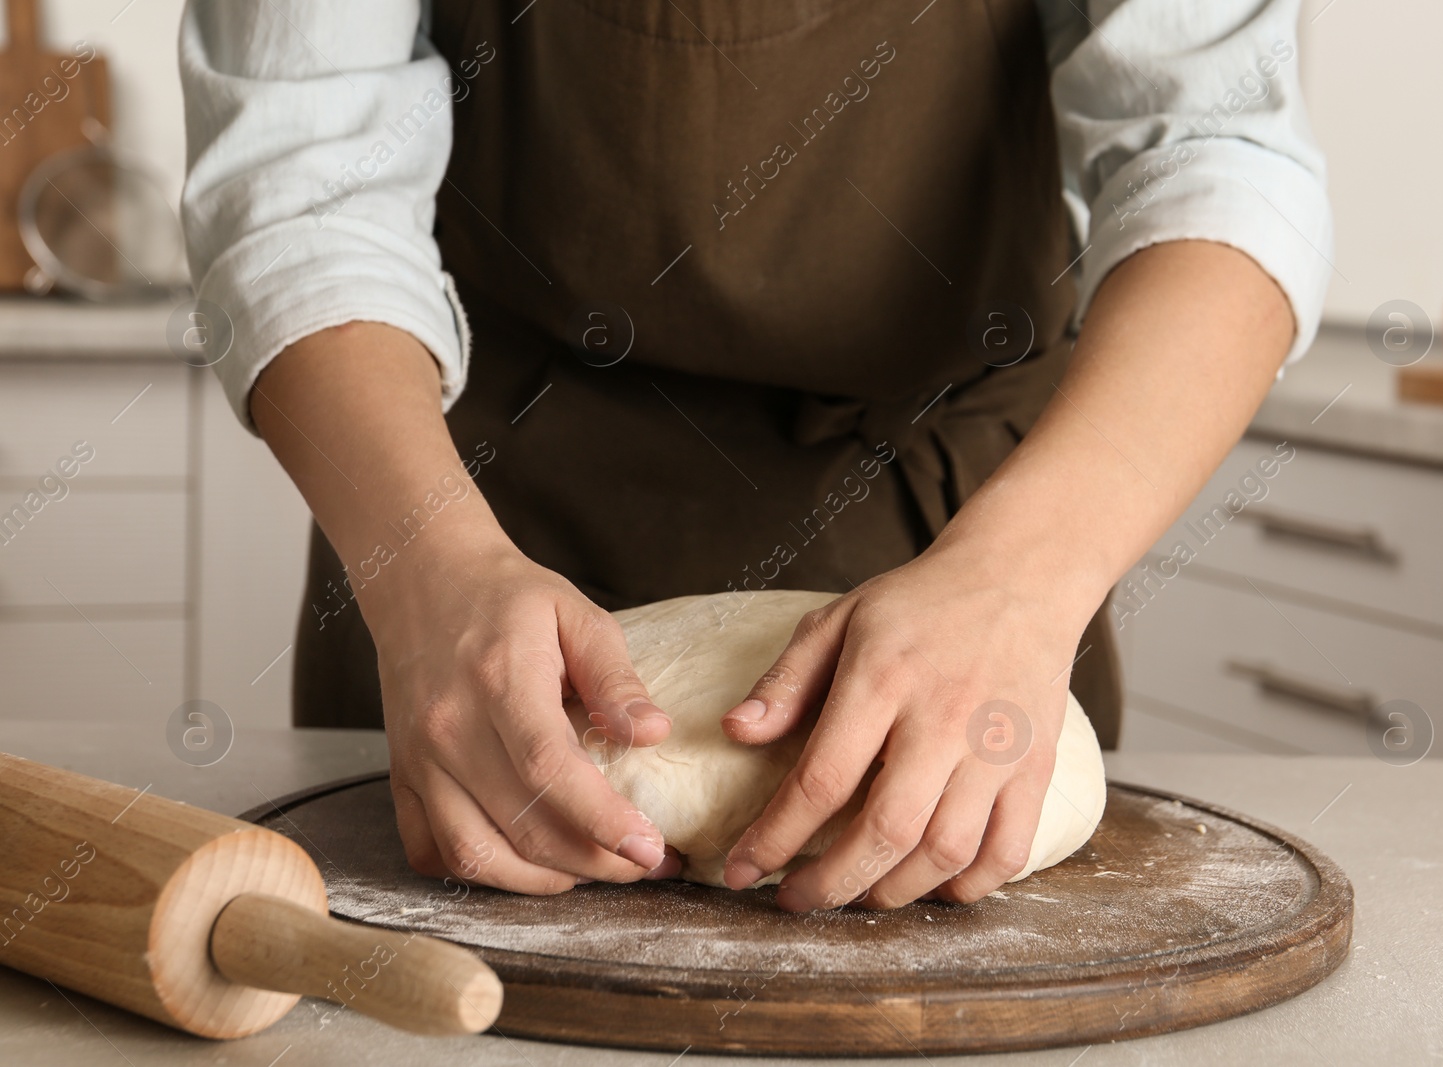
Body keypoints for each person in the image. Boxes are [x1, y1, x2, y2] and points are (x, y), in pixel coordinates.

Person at [180, 0, 1330, 912]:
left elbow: (1217, 145)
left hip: (954, 537)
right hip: (467, 530)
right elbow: (300, 182)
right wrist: (425, 568)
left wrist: (1023, 580)